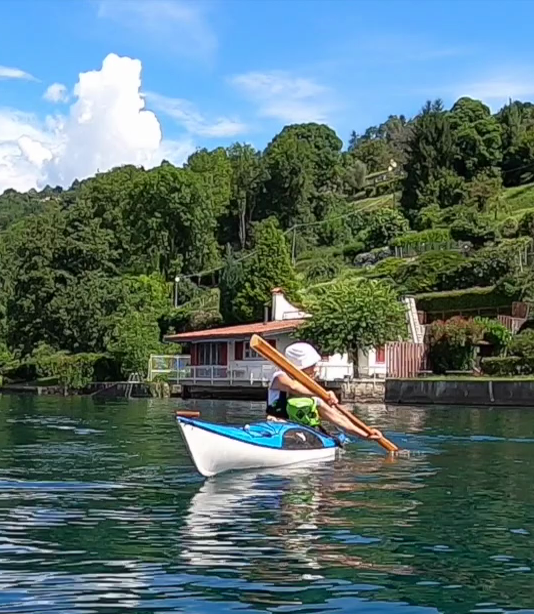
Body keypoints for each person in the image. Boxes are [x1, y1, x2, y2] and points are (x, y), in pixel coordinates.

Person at [266, 341, 383, 441]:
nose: (315, 369)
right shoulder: (279, 377)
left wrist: (366, 435)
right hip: (278, 428)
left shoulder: (315, 398)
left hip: (303, 434)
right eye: (312, 365)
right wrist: (323, 394)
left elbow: (339, 419)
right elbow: (293, 387)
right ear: (301, 367)